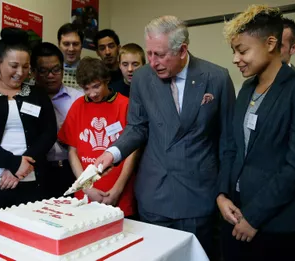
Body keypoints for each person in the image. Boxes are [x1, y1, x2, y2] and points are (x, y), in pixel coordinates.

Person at [94, 15, 236, 260]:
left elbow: (228, 142)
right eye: (149, 54)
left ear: (182, 50)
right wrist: (112, 152)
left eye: (159, 55)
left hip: (198, 193)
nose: (152, 62)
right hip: (154, 193)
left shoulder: (217, 78)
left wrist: (223, 191)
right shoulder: (142, 78)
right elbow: (137, 127)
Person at [217, 5, 295, 261]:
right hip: (235, 213)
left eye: (242, 51)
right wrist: (221, 194)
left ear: (271, 43)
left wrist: (254, 217)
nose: (235, 59)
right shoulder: (246, 89)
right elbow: (231, 147)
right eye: (233, 51)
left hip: (277, 223)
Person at [0, 28, 57, 226]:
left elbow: (49, 133)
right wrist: (12, 163)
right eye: (13, 66)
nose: (20, 73)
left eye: (25, 66)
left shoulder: (37, 94)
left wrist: (21, 168)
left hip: (31, 180)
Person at [58, 57, 138, 217]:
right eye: (86, 89)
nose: (92, 93)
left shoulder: (125, 105)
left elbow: (133, 151)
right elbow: (72, 151)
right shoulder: (78, 106)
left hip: (118, 191)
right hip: (85, 193)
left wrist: (118, 189)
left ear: (106, 80)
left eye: (96, 86)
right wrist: (86, 187)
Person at [31, 42, 83, 198]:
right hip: (37, 170)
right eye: (43, 71)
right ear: (33, 72)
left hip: (70, 169)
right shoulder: (25, 99)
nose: (51, 76)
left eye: (55, 70)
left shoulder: (78, 99)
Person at [57, 23, 84, 90]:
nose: (71, 49)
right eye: (66, 44)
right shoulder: (50, 72)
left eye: (75, 44)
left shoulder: (91, 72)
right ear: (59, 45)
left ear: (81, 45)